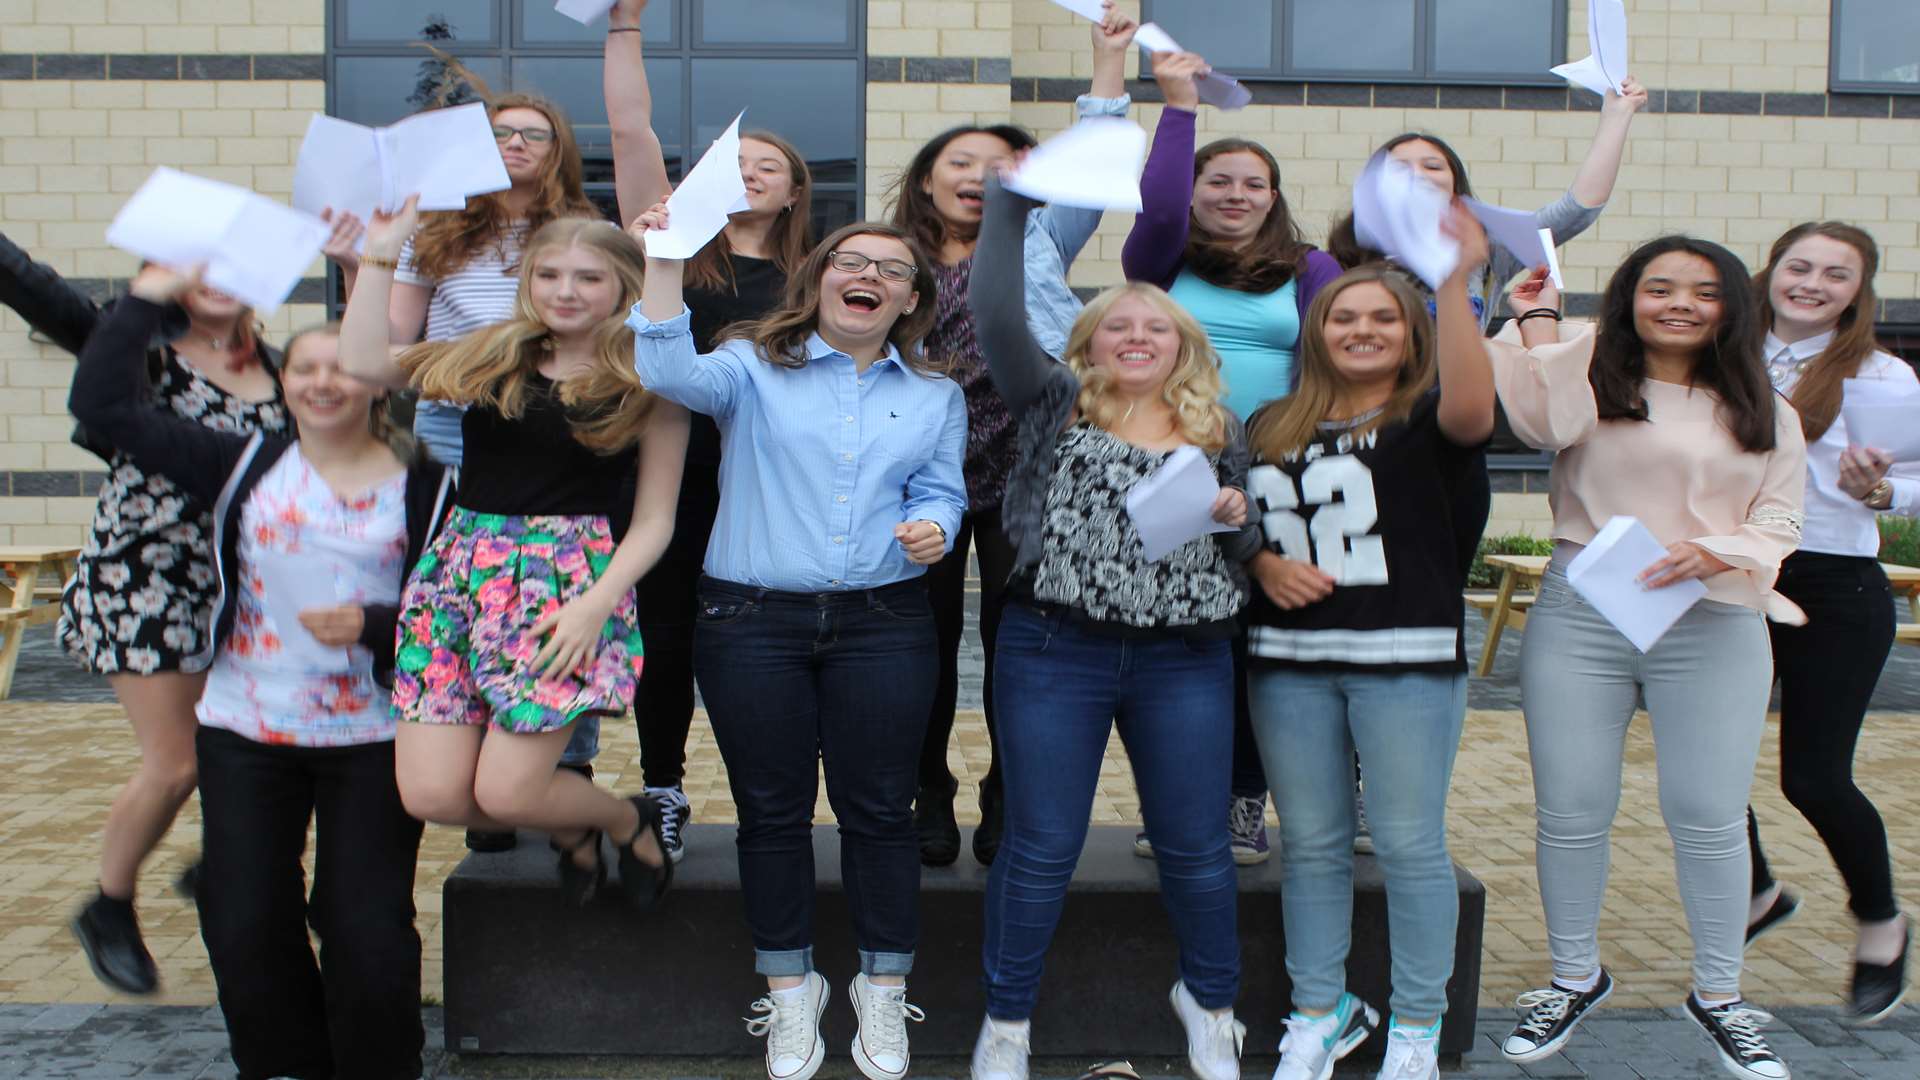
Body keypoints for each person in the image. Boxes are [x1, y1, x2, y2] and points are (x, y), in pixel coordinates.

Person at [69, 274, 449, 1080]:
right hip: (246, 729)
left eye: (340, 367)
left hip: (375, 738)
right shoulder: (239, 462)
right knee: (242, 918)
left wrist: (377, 625)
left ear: (373, 381)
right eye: (304, 368)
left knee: (366, 928)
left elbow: (457, 613)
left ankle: (380, 1065)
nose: (321, 382)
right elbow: (105, 412)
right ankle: (283, 1062)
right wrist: (142, 300)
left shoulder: (429, 485)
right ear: (284, 383)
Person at [630, 209, 965, 1080]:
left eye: (893, 270)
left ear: (911, 300)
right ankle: (790, 991)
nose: (871, 277)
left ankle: (883, 992)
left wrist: (932, 523)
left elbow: (942, 491)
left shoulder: (934, 395)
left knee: (881, 814)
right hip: (751, 623)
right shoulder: (748, 366)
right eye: (852, 262)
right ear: (818, 279)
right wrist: (663, 260)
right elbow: (663, 366)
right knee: (771, 815)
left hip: (885, 624)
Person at [1488, 237, 1804, 1080]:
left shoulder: (1767, 405)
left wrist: (1722, 549)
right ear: (1627, 297)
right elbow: (1536, 424)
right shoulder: (1588, 374)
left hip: (1715, 618)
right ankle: (1573, 976)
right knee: (1572, 807)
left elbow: (1782, 523)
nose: (1679, 303)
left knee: (1707, 813)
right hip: (1584, 608)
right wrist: (1539, 322)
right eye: (1658, 287)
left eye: (1702, 292)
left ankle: (1719, 994)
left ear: (1732, 306)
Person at [1, 222, 345, 994]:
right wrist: (140, 299)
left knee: (275, 745)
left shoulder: (284, 366)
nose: (218, 278)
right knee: (179, 760)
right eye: (200, 267)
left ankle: (228, 864)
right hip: (143, 579)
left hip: (245, 586)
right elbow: (36, 289)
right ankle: (109, 905)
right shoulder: (138, 352)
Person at [967, 175, 1258, 1080]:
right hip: (1058, 649)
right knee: (1042, 845)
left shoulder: (1222, 425)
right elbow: (995, 315)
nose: (1136, 337)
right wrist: (1008, 211)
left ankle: (1211, 1005)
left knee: (1197, 846)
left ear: (1184, 346)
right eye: (1117, 326)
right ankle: (1007, 1025)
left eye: (1156, 327)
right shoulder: (1053, 402)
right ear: (1088, 343)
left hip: (1188, 658)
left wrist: (1238, 511)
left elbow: (1246, 547)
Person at [341, 197, 683, 910]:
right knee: (431, 792)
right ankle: (584, 826)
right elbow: (365, 362)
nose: (565, 291)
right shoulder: (494, 353)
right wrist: (380, 253)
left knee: (506, 789)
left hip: (568, 584)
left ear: (623, 286)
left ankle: (624, 818)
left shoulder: (649, 378)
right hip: (458, 575)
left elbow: (654, 520)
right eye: (549, 274)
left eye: (588, 277)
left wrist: (595, 608)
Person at [1243, 205, 1496, 1080]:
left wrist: (1456, 281)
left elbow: (1475, 404)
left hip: (1405, 662)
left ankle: (1418, 1028)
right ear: (1315, 333)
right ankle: (1322, 1009)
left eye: (1384, 317)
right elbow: (1242, 532)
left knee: (1407, 843)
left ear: (1412, 333)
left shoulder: (1431, 419)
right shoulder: (1270, 426)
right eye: (1343, 317)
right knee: (1309, 844)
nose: (1361, 329)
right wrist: (1265, 565)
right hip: (1288, 665)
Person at [888, 0, 1138, 869]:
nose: (980, 175)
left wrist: (1109, 59)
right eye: (962, 163)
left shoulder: (1042, 232)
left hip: (1023, 466)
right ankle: (927, 789)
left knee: (1015, 640)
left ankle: (1004, 792)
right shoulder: (885, 255)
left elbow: (1101, 148)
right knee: (917, 641)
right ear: (928, 179)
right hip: (916, 472)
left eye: (1000, 164)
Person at [1120, 48, 1344, 866]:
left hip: (1278, 477)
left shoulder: (1311, 268)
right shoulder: (1161, 261)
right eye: (1218, 181)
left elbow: (1334, 368)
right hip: (1175, 470)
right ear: (1191, 193)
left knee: (1260, 646)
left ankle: (1244, 802)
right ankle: (1177, 802)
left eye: (1254, 184)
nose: (1236, 195)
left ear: (1274, 197)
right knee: (1181, 647)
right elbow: (1155, 208)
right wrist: (1177, 106)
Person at [604, 0, 814, 862]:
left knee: (755, 640)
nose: (755, 171)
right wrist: (624, 28)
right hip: (671, 470)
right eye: (742, 161)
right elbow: (629, 132)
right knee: (666, 631)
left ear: (797, 190)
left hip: (767, 481)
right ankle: (662, 787)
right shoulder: (674, 242)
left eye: (772, 165)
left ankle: (776, 803)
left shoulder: (819, 275)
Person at [383, 88, 611, 846]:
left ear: (559, 150)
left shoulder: (579, 234)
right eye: (500, 133)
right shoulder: (438, 234)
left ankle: (553, 782)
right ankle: (493, 772)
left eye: (534, 135)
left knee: (547, 631)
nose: (516, 144)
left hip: (561, 447)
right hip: (464, 436)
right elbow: (388, 341)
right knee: (473, 624)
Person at [1743, 221, 1909, 1021]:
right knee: (1695, 760)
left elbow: (1915, 481)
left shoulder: (1882, 378)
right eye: (1798, 266)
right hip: (1730, 572)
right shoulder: (1720, 349)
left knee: (1812, 775)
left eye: (1835, 274)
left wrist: (1881, 493)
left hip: (1834, 581)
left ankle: (1881, 924)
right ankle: (1755, 892)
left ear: (1860, 289)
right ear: (1771, 271)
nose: (1811, 283)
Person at [1328, 76, 1650, 326]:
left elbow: (1578, 209)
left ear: (1455, 188)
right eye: (1400, 169)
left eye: (1432, 166)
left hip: (1453, 407)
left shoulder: (1487, 249)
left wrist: (1617, 116)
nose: (1418, 176)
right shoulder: (1346, 254)